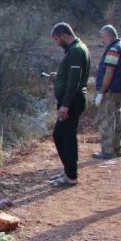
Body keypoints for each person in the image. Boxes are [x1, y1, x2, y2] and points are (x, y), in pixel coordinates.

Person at [48, 22, 90, 187]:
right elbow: (71, 75)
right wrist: (58, 76)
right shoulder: (76, 49)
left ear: (64, 36)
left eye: (57, 39)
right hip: (71, 99)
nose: (57, 42)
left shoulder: (76, 51)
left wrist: (65, 105)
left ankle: (71, 176)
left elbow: (74, 80)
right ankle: (68, 171)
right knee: (60, 135)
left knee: (66, 137)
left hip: (72, 101)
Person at [92, 25, 121, 159]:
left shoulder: (113, 49)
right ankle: (116, 148)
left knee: (106, 119)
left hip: (111, 90)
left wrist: (101, 92)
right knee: (116, 117)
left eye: (102, 37)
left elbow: (109, 72)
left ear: (108, 35)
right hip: (120, 89)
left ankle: (108, 151)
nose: (102, 40)